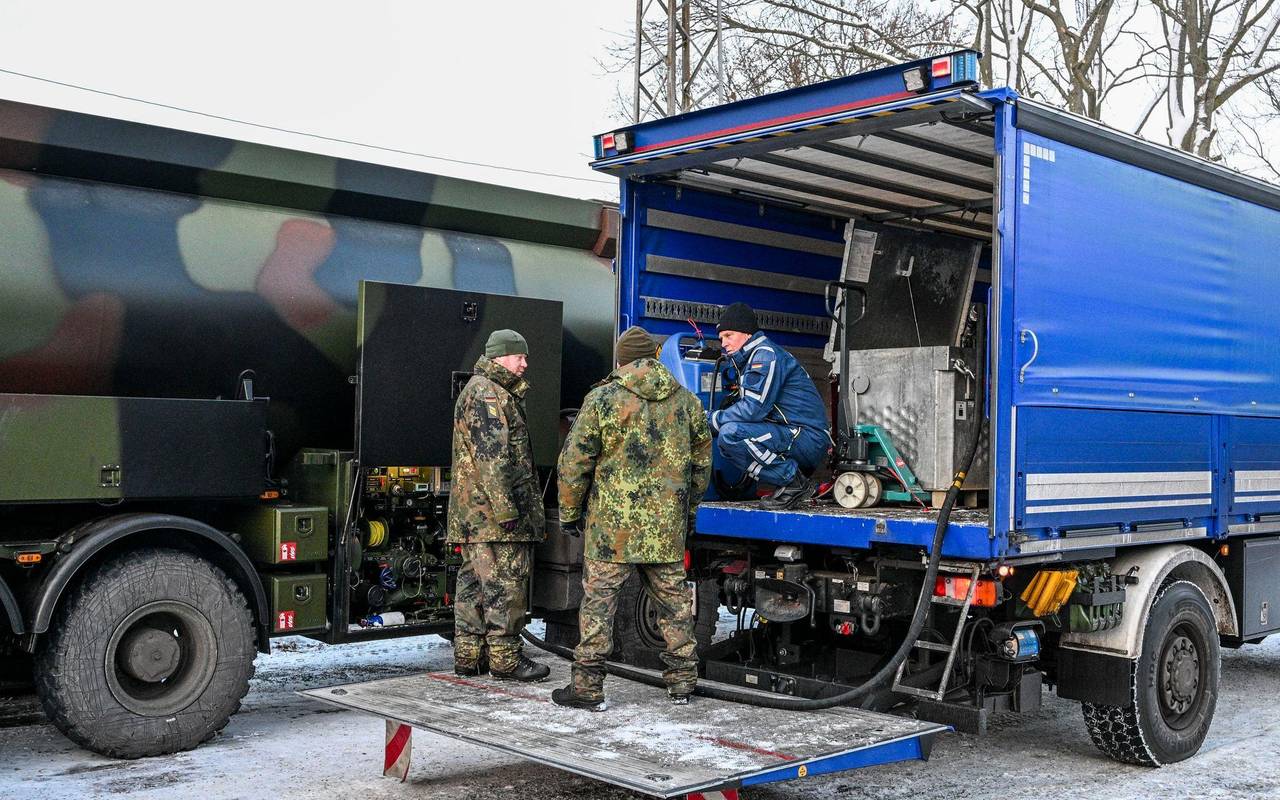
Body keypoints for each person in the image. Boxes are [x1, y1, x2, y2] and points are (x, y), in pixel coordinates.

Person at [551, 326, 712, 711]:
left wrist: (571, 513)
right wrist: (687, 514)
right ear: (654, 358)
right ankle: (683, 684)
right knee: (674, 605)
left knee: (598, 608)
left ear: (621, 360)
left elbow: (574, 463)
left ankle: (588, 688)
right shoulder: (687, 402)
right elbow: (702, 463)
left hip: (612, 531)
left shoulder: (602, 399)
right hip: (665, 529)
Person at [445, 329, 551, 682]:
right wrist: (507, 511)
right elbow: (492, 459)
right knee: (505, 585)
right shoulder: (489, 394)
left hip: (478, 517)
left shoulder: (484, 391)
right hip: (493, 518)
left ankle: (469, 657)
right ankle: (505, 660)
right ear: (499, 357)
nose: (524, 363)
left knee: (474, 584)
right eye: (519, 356)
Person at [710, 302, 830, 510]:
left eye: (729, 335)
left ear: (747, 333)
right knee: (727, 438)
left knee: (731, 434)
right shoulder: (752, 357)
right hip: (795, 434)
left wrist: (712, 419)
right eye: (721, 338)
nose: (724, 343)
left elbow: (753, 409)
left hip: (807, 437)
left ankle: (793, 481)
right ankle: (790, 480)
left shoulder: (764, 355)